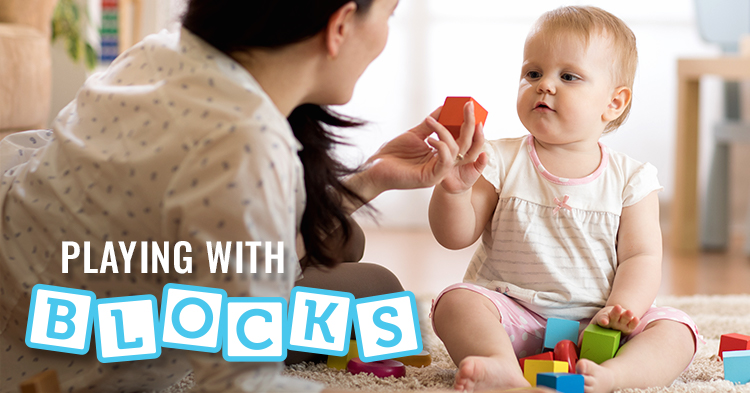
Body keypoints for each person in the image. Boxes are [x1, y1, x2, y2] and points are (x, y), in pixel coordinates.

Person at [0, 0, 498, 392]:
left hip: (36, 238)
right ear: (341, 24)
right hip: (60, 353)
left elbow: (222, 225)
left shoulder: (166, 50)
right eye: (389, 14)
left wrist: (374, 177)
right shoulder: (244, 144)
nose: (387, 37)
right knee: (372, 291)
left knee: (350, 254)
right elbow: (240, 385)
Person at [428, 6, 701, 393]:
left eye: (568, 76)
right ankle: (501, 366)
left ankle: (611, 376)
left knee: (677, 330)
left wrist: (620, 310)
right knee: (456, 301)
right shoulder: (499, 158)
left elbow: (642, 257)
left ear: (614, 102)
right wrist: (452, 190)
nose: (545, 85)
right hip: (514, 318)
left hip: (597, 325)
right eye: (532, 73)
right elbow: (455, 236)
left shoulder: (633, 178)